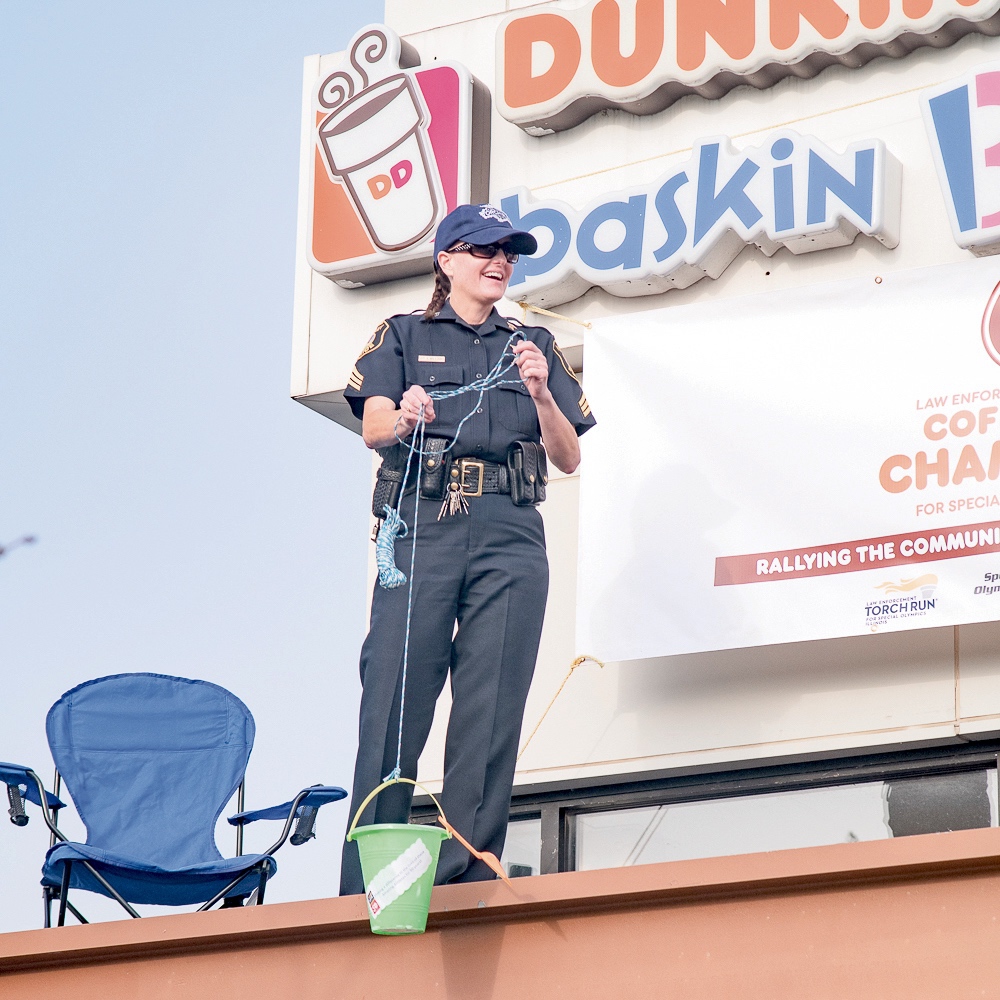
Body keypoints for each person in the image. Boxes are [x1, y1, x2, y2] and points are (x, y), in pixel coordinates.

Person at [340, 203, 596, 894]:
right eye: (482, 249)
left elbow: (568, 455)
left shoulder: (530, 342)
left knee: (492, 702)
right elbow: (373, 427)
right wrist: (406, 415)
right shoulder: (403, 333)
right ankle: (372, 881)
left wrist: (542, 393)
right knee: (396, 696)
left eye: (508, 252)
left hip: (510, 527)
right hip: (425, 520)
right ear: (446, 260)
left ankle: (462, 873)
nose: (499, 262)